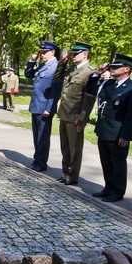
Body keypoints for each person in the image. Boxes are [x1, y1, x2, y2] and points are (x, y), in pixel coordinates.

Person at [91, 54, 132, 202]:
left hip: (118, 133)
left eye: (116, 67)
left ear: (127, 69)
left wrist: (127, 135)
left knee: (118, 163)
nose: (112, 69)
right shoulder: (109, 84)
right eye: (112, 66)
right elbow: (90, 89)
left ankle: (117, 191)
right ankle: (108, 186)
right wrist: (97, 74)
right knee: (106, 161)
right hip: (104, 129)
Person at [55, 41, 95, 185]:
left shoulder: (90, 72)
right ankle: (65, 172)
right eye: (72, 53)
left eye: (76, 53)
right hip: (64, 113)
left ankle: (72, 176)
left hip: (75, 116)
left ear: (85, 54)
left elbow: (89, 98)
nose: (72, 55)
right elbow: (57, 77)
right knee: (65, 146)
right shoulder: (71, 69)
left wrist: (82, 118)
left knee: (74, 148)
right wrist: (63, 63)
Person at [25, 40, 60, 172]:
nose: (42, 54)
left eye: (45, 52)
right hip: (36, 105)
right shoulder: (42, 65)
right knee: (36, 136)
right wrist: (31, 61)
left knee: (43, 137)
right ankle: (37, 160)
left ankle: (41, 163)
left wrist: (49, 108)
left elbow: (56, 91)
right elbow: (29, 74)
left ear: (53, 52)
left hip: (44, 107)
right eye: (41, 52)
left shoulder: (55, 67)